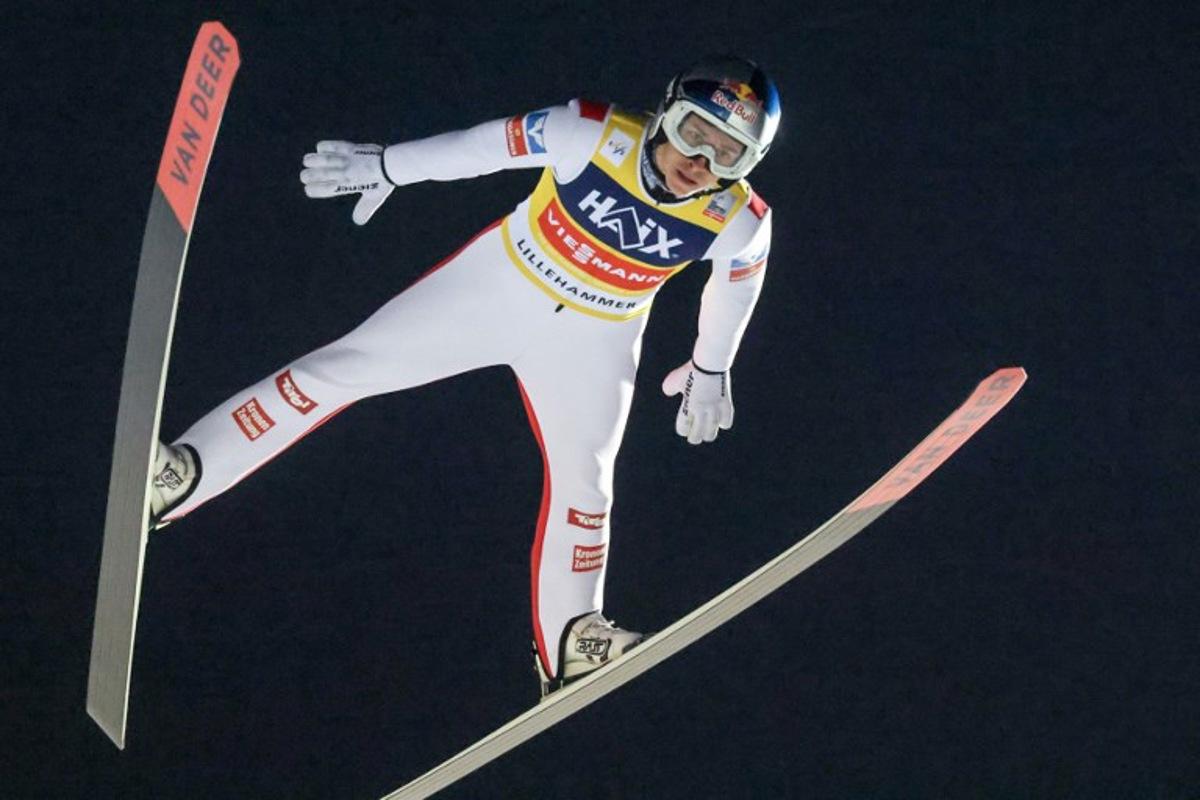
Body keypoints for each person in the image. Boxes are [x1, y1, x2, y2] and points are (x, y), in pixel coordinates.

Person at [147, 55, 781, 698]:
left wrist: (712, 366)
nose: (700, 162)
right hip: (497, 287)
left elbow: (737, 284)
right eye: (696, 132)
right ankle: (181, 476)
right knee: (339, 371)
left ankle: (572, 640)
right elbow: (483, 147)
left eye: (727, 155)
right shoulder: (590, 133)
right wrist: (389, 165)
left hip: (595, 337)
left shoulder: (738, 218)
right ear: (666, 113)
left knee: (586, 484)